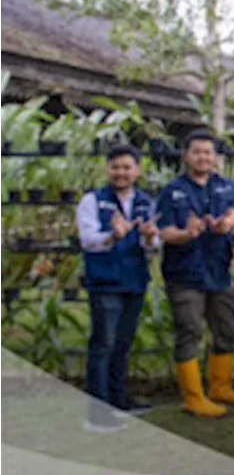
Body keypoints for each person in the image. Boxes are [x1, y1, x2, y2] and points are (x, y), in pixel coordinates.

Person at [156, 130, 234, 417]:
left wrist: (227, 223)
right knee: (190, 331)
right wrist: (187, 233)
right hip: (185, 273)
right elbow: (164, 232)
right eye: (197, 152)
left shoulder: (226, 187)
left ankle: (220, 387)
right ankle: (193, 397)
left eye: (208, 153)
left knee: (226, 329)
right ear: (186, 156)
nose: (203, 158)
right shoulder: (172, 191)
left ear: (216, 158)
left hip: (219, 270)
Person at [78, 144, 160, 432]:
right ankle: (97, 413)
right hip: (105, 282)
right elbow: (88, 240)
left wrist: (150, 238)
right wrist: (114, 235)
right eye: (116, 167)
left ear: (137, 171)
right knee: (103, 345)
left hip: (134, 281)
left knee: (122, 345)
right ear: (107, 169)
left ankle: (118, 399)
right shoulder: (93, 201)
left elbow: (153, 247)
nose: (121, 173)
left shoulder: (146, 203)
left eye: (127, 167)